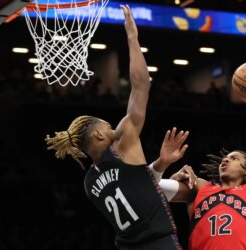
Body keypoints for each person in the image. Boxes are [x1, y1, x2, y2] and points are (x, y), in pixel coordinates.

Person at [45, 5, 184, 250]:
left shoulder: (89, 183)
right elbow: (141, 85)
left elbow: (135, 185)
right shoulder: (121, 145)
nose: (113, 127)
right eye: (107, 125)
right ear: (98, 134)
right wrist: (132, 37)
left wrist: (161, 164)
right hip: (159, 243)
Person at [156, 79, 246, 250]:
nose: (226, 159)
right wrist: (165, 168)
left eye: (235, 158)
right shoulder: (200, 187)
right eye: (225, 158)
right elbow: (152, 190)